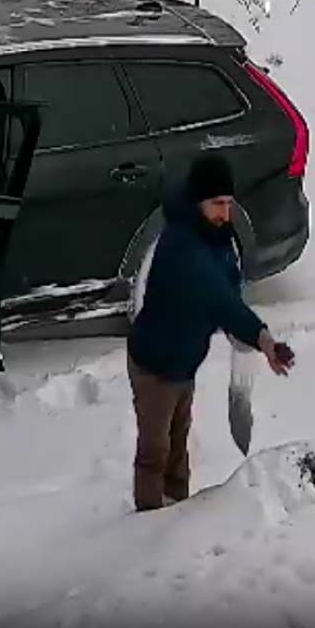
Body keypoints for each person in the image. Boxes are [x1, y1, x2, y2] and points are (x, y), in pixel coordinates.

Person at [127, 153, 294, 512]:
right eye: (217, 203)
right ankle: (146, 525)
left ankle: (177, 513)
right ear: (197, 201)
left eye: (229, 203)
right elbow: (219, 298)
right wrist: (261, 338)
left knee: (177, 442)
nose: (225, 212)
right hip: (154, 365)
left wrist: (255, 339)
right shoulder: (182, 245)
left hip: (184, 362)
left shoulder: (215, 234)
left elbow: (230, 287)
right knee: (154, 453)